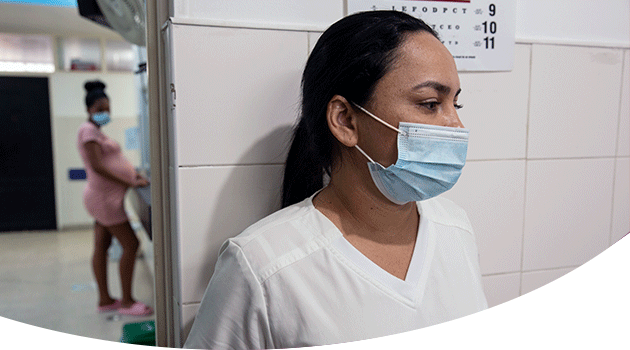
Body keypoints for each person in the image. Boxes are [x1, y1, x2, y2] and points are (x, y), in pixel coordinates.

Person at [184, 10, 487, 349]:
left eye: (455, 103)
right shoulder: (262, 266)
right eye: (430, 104)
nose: (455, 125)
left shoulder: (455, 230)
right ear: (345, 120)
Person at [77, 80, 153, 317]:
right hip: (104, 199)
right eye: (100, 109)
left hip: (104, 197)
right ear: (89, 110)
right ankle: (127, 302)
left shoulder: (95, 131)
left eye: (107, 109)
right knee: (132, 244)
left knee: (102, 245)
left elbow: (110, 162)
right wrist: (130, 180)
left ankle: (105, 300)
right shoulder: (88, 131)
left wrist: (132, 173)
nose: (105, 113)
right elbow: (99, 167)